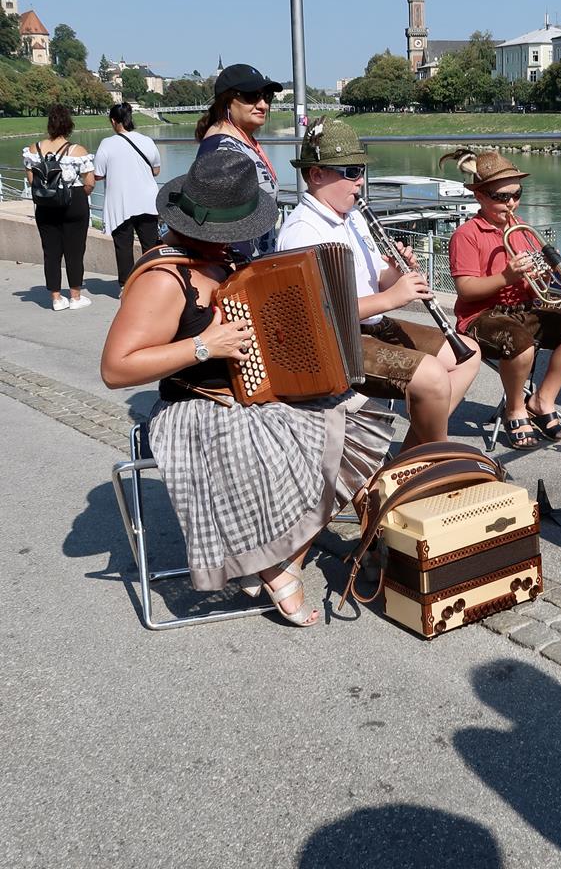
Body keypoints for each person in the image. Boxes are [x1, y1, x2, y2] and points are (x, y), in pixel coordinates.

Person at [100, 151, 393, 626]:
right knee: (273, 441)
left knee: (353, 412)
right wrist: (204, 345)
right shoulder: (163, 278)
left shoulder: (222, 258)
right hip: (197, 408)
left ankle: (278, 556)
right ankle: (271, 563)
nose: (237, 241)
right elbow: (116, 369)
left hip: (249, 392)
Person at [276, 118, 479, 447]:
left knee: (468, 354)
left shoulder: (353, 216)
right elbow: (315, 315)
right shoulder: (302, 232)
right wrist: (392, 298)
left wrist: (399, 274)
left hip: (371, 325)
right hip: (334, 343)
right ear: (316, 175)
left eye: (362, 170)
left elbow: (379, 278)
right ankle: (434, 459)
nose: (360, 180)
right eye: (351, 171)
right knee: (432, 377)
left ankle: (411, 457)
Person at [445, 149, 561, 450]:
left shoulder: (522, 229)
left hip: (522, 309)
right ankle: (515, 409)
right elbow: (466, 290)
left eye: (517, 194)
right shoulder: (466, 234)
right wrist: (506, 277)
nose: (511, 203)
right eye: (501, 197)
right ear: (479, 196)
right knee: (521, 343)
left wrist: (543, 276)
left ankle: (542, 400)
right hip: (481, 316)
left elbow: (536, 284)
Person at [194, 63, 283, 258]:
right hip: (238, 267)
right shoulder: (223, 150)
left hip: (257, 263)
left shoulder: (243, 140)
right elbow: (219, 224)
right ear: (227, 101)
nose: (263, 105)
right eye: (252, 96)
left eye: (267, 96)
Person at [23, 104, 96, 310]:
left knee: (51, 251)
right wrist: (79, 194)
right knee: (75, 250)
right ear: (69, 125)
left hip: (45, 204)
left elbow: (32, 181)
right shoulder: (77, 150)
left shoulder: (33, 149)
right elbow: (89, 182)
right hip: (73, 201)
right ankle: (75, 296)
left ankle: (56, 298)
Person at [94, 102, 161, 286]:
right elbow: (156, 170)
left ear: (113, 121)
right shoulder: (147, 141)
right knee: (150, 246)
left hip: (121, 203)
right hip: (147, 200)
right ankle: (153, 283)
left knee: (123, 246)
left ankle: (127, 285)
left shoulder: (106, 144)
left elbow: (98, 174)